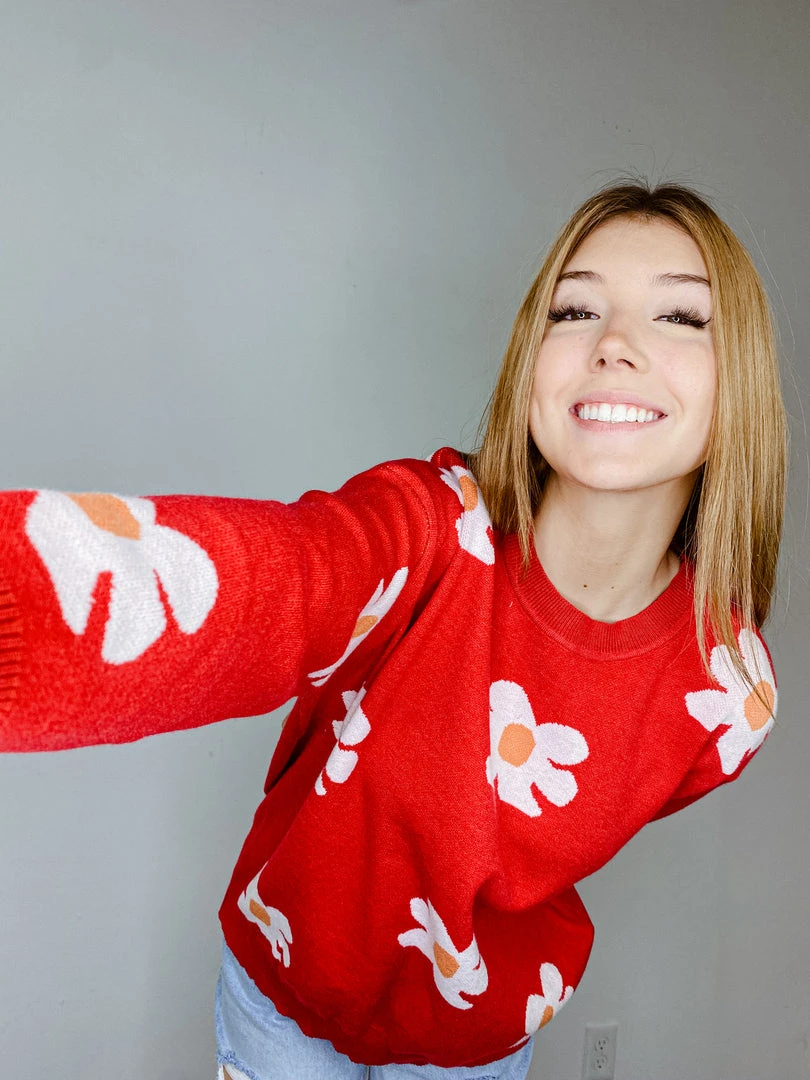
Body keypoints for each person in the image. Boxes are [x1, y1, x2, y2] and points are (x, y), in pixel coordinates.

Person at [0, 179, 786, 1080]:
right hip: (282, 989)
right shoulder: (430, 531)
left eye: (681, 317)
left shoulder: (732, 694)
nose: (614, 343)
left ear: (742, 383)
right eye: (574, 309)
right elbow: (282, 580)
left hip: (475, 1040)